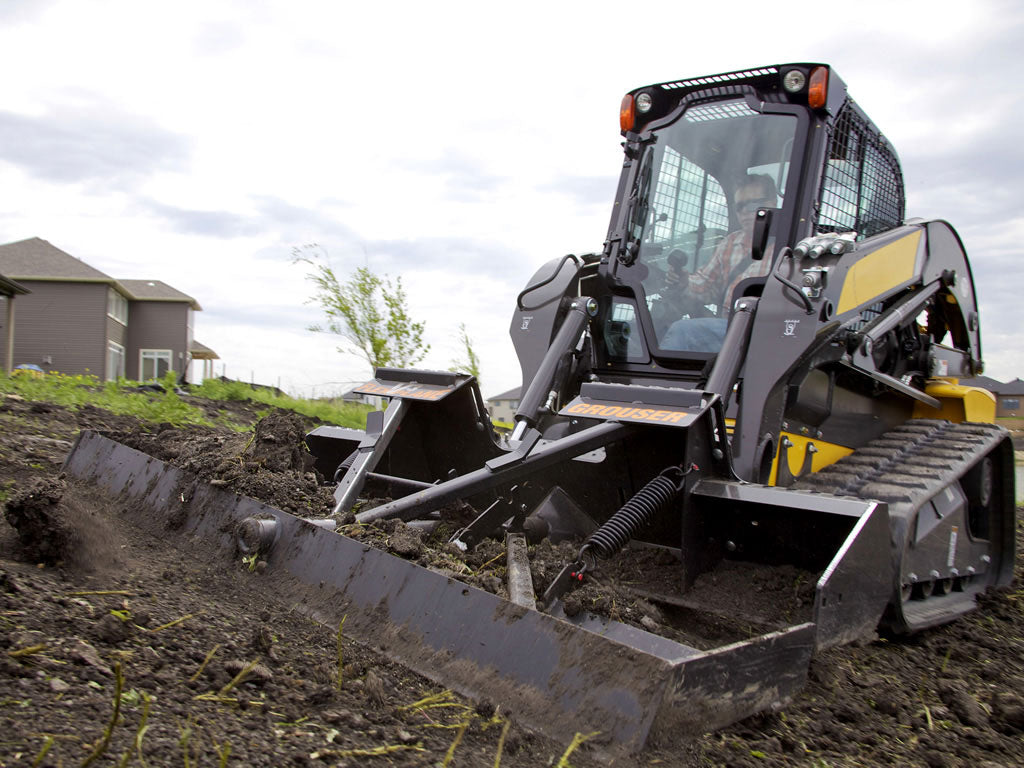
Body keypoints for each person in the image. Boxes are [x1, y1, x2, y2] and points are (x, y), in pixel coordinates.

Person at [661, 174, 778, 352]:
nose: (745, 212)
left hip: (766, 332)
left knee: (683, 332)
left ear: (772, 203)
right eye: (739, 207)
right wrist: (685, 281)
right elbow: (706, 285)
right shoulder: (730, 243)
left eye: (752, 204)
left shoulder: (790, 246)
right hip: (729, 328)